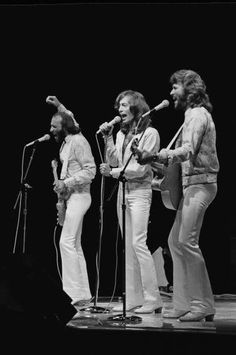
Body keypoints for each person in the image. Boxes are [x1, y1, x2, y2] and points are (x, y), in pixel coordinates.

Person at [134, 69, 219, 321]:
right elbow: (182, 159)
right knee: (175, 242)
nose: (171, 92)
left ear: (189, 88)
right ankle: (183, 303)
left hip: (201, 184)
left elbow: (188, 150)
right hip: (193, 183)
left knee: (187, 242)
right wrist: (157, 162)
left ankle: (203, 305)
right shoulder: (190, 115)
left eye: (175, 87)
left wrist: (156, 155)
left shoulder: (196, 114)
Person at [99, 90, 163, 314]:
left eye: (124, 105)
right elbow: (116, 159)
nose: (120, 109)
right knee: (128, 247)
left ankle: (153, 298)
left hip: (140, 192)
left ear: (136, 108)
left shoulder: (150, 133)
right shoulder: (120, 134)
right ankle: (134, 298)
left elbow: (138, 169)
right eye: (119, 105)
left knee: (138, 243)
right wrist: (108, 137)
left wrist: (112, 172)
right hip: (123, 192)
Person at [46, 95, 96, 306]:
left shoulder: (78, 140)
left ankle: (72, 293)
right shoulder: (66, 143)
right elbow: (71, 119)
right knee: (74, 244)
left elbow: (91, 171)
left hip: (81, 196)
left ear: (63, 126)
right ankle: (82, 294)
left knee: (65, 242)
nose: (51, 130)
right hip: (71, 197)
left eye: (54, 126)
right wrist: (59, 106)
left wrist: (67, 183)